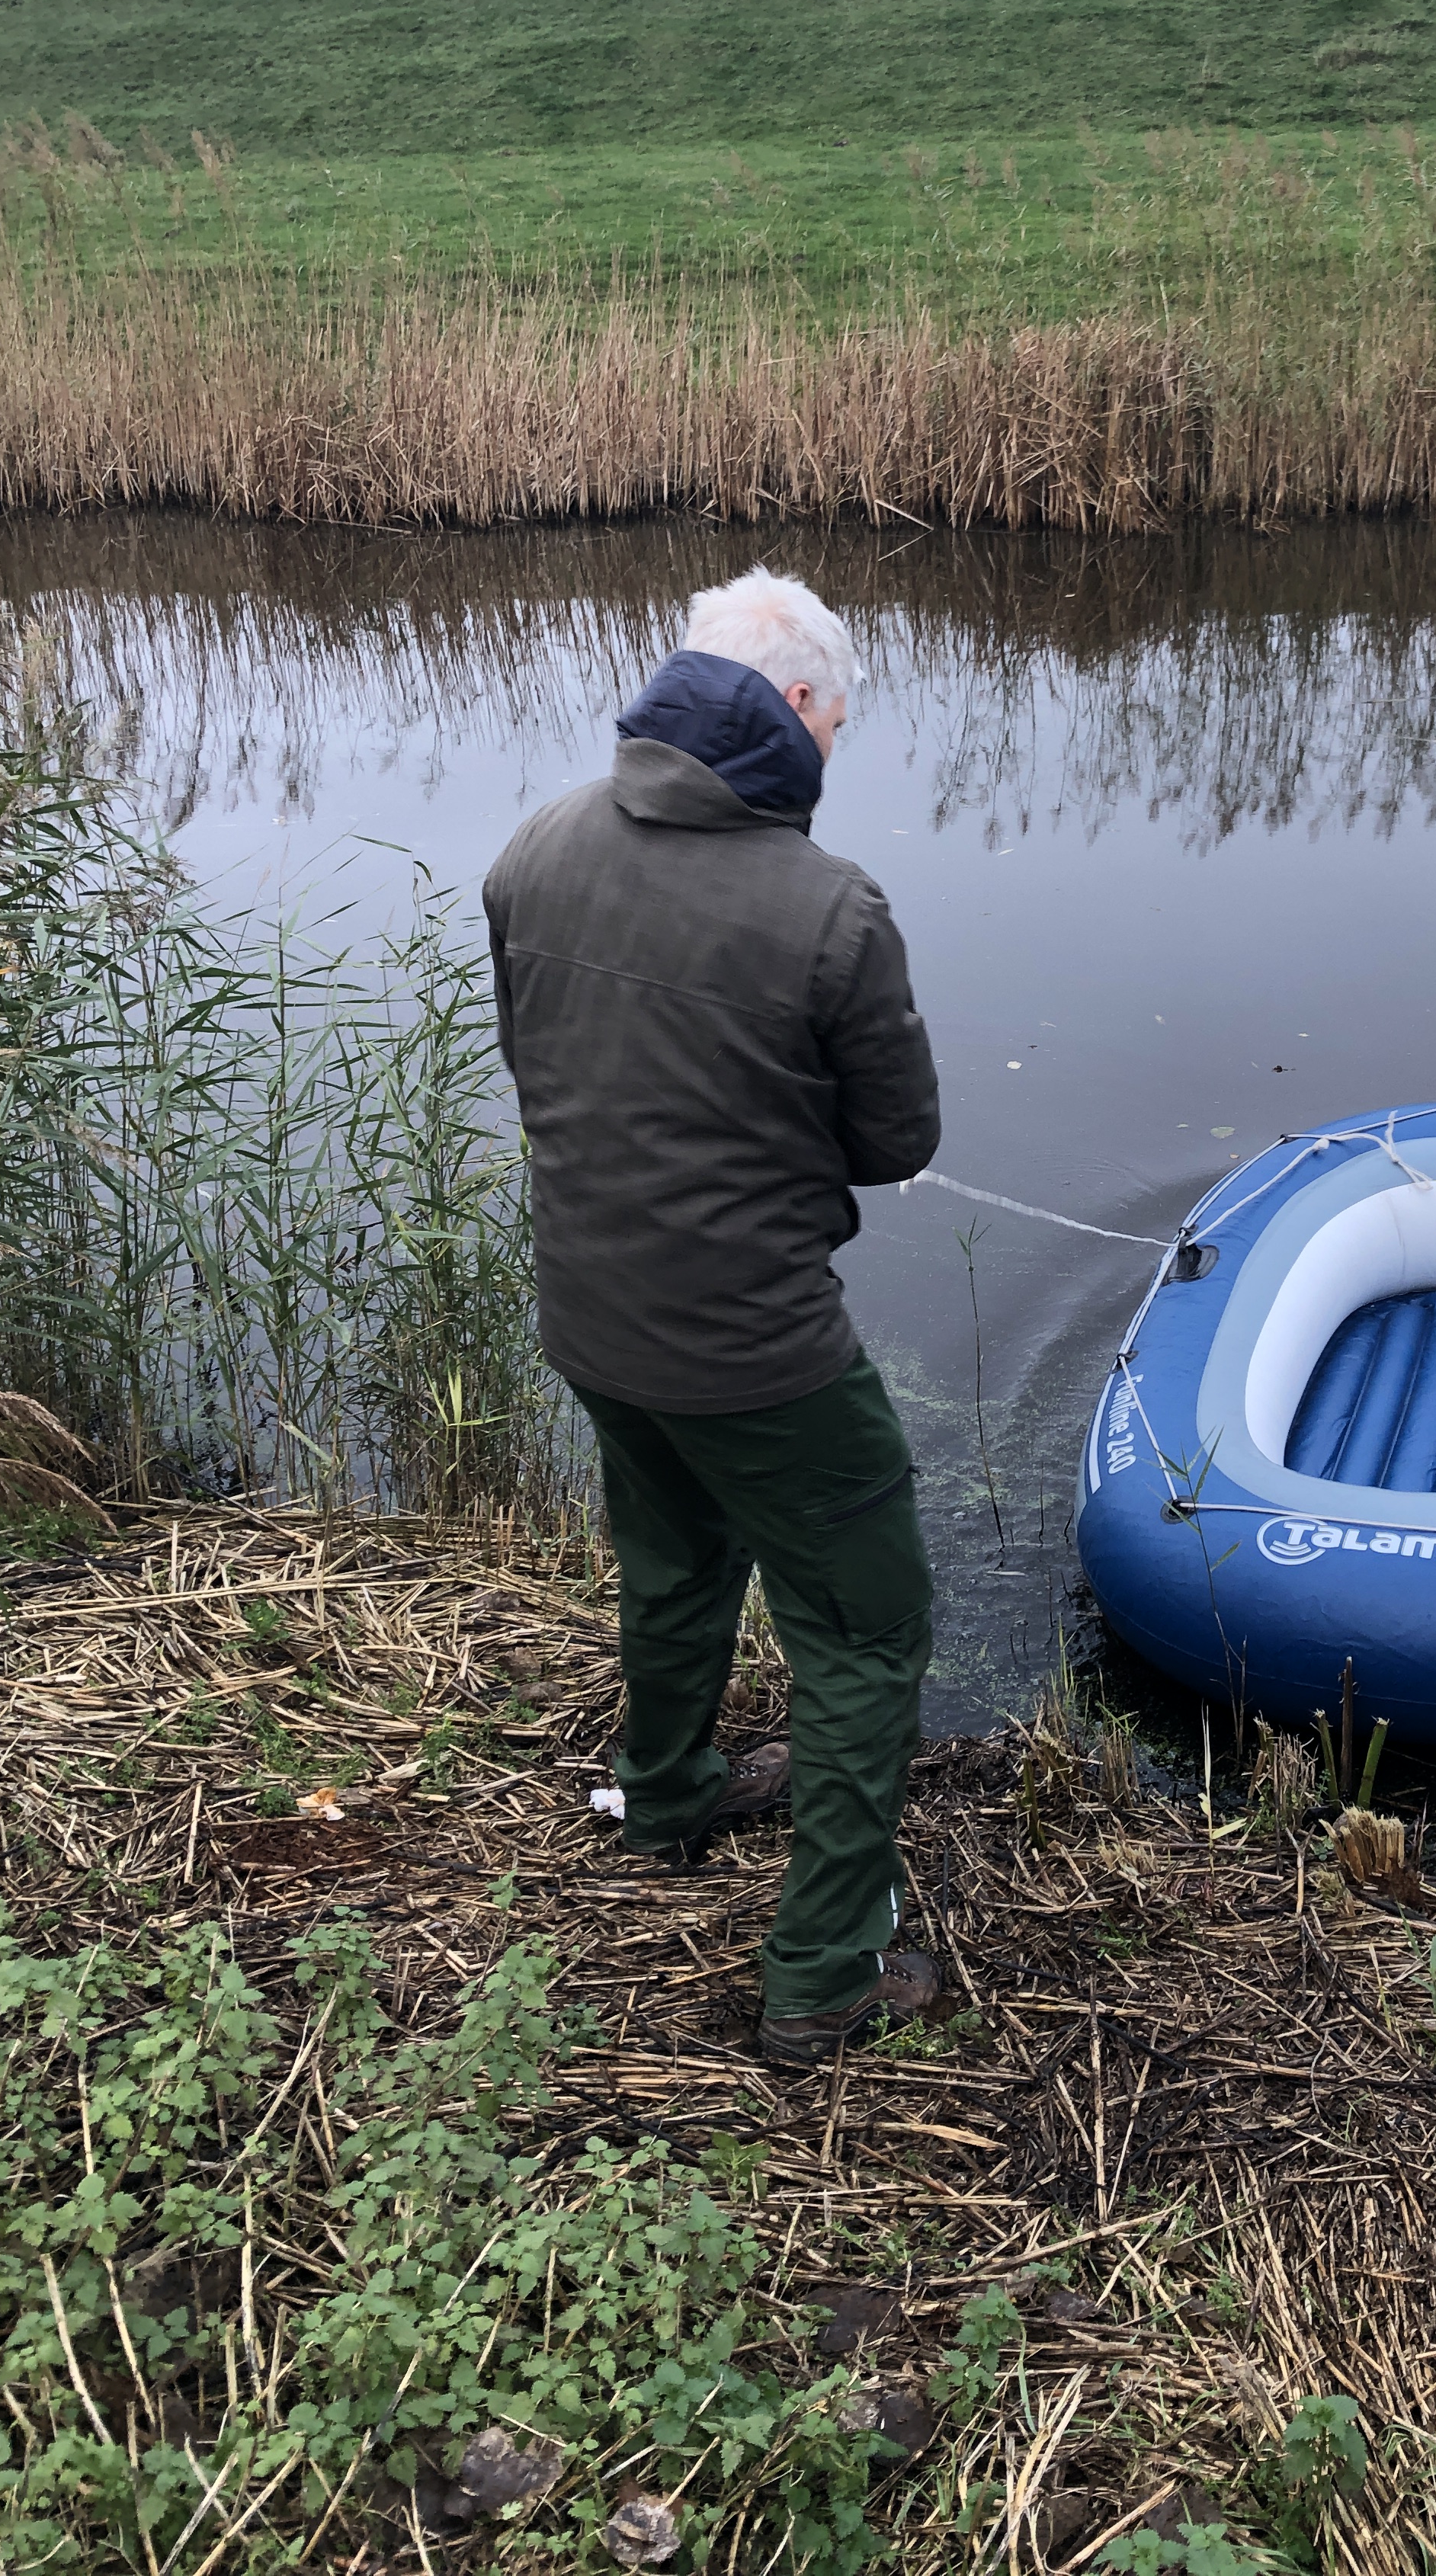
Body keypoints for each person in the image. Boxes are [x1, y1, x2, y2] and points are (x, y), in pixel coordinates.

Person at [482, 568, 945, 2064]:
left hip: (594, 1317)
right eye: (838, 727)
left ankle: (668, 1792)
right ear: (799, 708)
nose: (834, 752)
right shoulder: (830, 909)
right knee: (867, 1626)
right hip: (761, 1352)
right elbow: (897, 1140)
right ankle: (825, 1974)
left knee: (676, 1556)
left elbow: (545, 1068)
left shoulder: (537, 845)